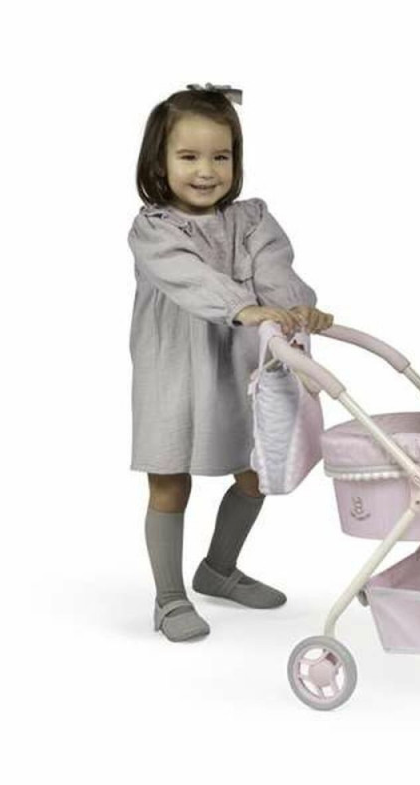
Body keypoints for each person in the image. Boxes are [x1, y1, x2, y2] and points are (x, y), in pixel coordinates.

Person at [129, 84, 333, 642]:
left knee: (256, 470)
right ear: (159, 162)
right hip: (175, 369)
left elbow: (275, 267)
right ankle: (169, 598)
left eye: (221, 156)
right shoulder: (155, 229)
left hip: (241, 364)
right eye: (189, 156)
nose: (206, 171)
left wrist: (295, 309)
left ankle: (218, 569)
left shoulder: (251, 219)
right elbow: (190, 277)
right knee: (170, 478)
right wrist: (242, 306)